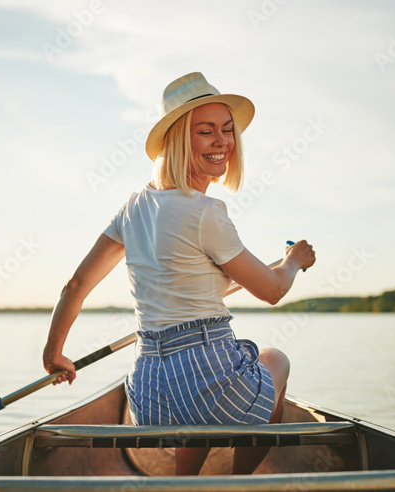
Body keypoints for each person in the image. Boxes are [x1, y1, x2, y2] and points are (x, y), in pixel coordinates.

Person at [41, 72, 316, 476]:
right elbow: (273, 291)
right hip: (208, 378)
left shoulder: (133, 208)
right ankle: (237, 485)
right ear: (177, 140)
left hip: (149, 398)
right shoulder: (206, 213)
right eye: (206, 132)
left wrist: (53, 354)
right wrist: (294, 261)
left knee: (205, 406)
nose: (222, 141)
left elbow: (76, 285)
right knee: (274, 359)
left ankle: (184, 484)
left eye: (227, 130)